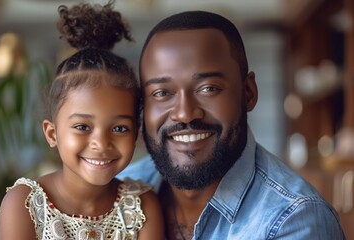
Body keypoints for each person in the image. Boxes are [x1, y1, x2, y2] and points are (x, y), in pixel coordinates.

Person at [117, 10, 346, 239]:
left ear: (248, 93)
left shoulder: (294, 220)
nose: (185, 114)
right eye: (162, 92)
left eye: (209, 88)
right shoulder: (118, 190)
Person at [0, 1, 164, 239]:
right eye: (83, 126)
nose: (101, 143)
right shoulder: (25, 204)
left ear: (136, 133)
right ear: (52, 134)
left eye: (119, 128)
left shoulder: (142, 206)